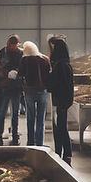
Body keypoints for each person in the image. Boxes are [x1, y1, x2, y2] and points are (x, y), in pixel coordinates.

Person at [47, 34, 74, 166]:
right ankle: (63, 153)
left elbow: (53, 85)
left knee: (60, 128)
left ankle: (65, 153)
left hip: (59, 101)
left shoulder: (59, 66)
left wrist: (49, 77)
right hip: (65, 100)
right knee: (61, 127)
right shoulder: (67, 65)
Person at [18, 41, 51, 146]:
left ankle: (30, 142)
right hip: (42, 91)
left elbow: (20, 74)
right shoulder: (45, 59)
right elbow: (49, 73)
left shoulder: (24, 60)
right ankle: (40, 143)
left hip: (29, 91)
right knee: (41, 119)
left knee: (30, 117)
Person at [0, 34, 23, 145]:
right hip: (6, 87)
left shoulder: (20, 53)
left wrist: (17, 73)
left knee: (15, 113)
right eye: (11, 45)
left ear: (18, 44)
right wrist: (6, 74)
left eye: (15, 45)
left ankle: (15, 134)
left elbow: (23, 67)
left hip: (16, 87)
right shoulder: (3, 52)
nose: (13, 47)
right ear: (8, 44)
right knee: (2, 112)